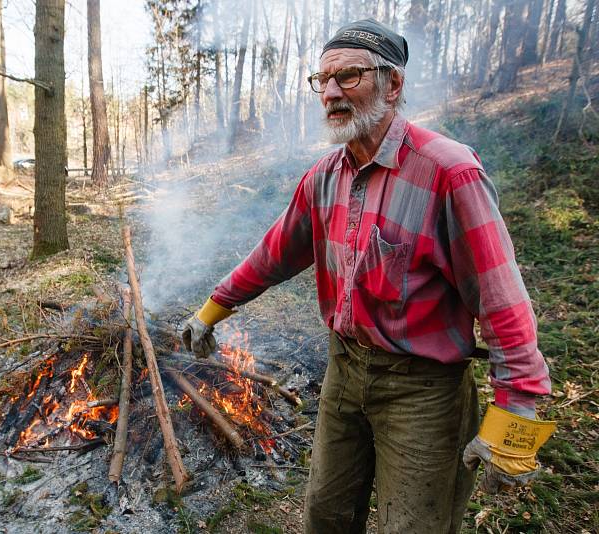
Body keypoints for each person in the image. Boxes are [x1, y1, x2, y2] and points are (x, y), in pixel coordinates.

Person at [182, 18, 556, 534]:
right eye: (323, 81)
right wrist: (212, 310)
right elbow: (272, 254)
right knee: (326, 516)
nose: (331, 92)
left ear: (393, 84)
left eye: (349, 76)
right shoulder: (325, 176)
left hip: (422, 391)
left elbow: (502, 302)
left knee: (414, 526)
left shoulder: (450, 172)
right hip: (344, 373)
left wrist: (516, 415)